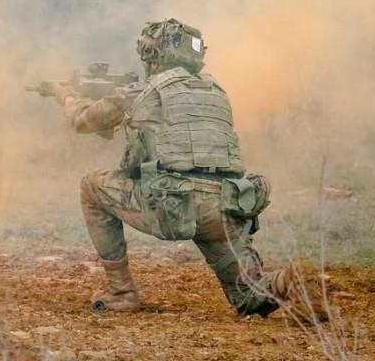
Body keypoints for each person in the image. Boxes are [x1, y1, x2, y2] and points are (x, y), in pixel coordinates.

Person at [49, 19, 326, 320]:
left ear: (153, 54)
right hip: (225, 206)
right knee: (249, 296)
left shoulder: (138, 91)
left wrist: (66, 95)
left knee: (91, 186)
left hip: (173, 204)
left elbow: (82, 121)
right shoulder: (216, 90)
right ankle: (291, 280)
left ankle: (121, 292)